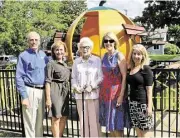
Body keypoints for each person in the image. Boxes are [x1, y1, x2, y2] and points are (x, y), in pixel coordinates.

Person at [16, 31, 49, 137]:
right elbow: (19, 77)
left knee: (39, 122)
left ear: (39, 42)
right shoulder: (23, 56)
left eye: (36, 40)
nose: (34, 42)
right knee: (30, 121)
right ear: (28, 42)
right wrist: (24, 96)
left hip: (42, 91)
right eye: (31, 40)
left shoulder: (43, 55)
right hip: (30, 91)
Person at [71, 37, 103, 137]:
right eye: (82, 47)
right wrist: (76, 87)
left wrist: (92, 86)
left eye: (87, 47)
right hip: (80, 96)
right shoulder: (76, 61)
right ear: (79, 49)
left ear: (91, 48)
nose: (85, 49)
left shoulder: (97, 60)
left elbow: (101, 77)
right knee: (83, 121)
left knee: (94, 121)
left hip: (93, 96)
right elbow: (73, 77)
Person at [99, 32, 127, 137]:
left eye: (111, 40)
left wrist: (121, 95)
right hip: (105, 94)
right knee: (109, 124)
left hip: (116, 93)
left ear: (115, 42)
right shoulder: (104, 56)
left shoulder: (119, 55)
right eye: (105, 41)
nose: (108, 43)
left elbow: (124, 77)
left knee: (117, 124)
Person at [127, 44, 153, 137]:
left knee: (145, 132)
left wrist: (149, 107)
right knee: (138, 132)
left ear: (143, 56)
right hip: (132, 104)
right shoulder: (130, 68)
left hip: (142, 104)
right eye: (134, 54)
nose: (136, 56)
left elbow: (149, 90)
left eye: (139, 54)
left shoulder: (146, 69)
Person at [45, 41, 70, 137]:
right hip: (55, 92)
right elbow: (47, 82)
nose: (59, 52)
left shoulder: (66, 64)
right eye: (57, 50)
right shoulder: (51, 64)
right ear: (53, 51)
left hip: (65, 93)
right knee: (56, 118)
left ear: (64, 51)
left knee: (64, 117)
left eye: (61, 49)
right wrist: (48, 99)